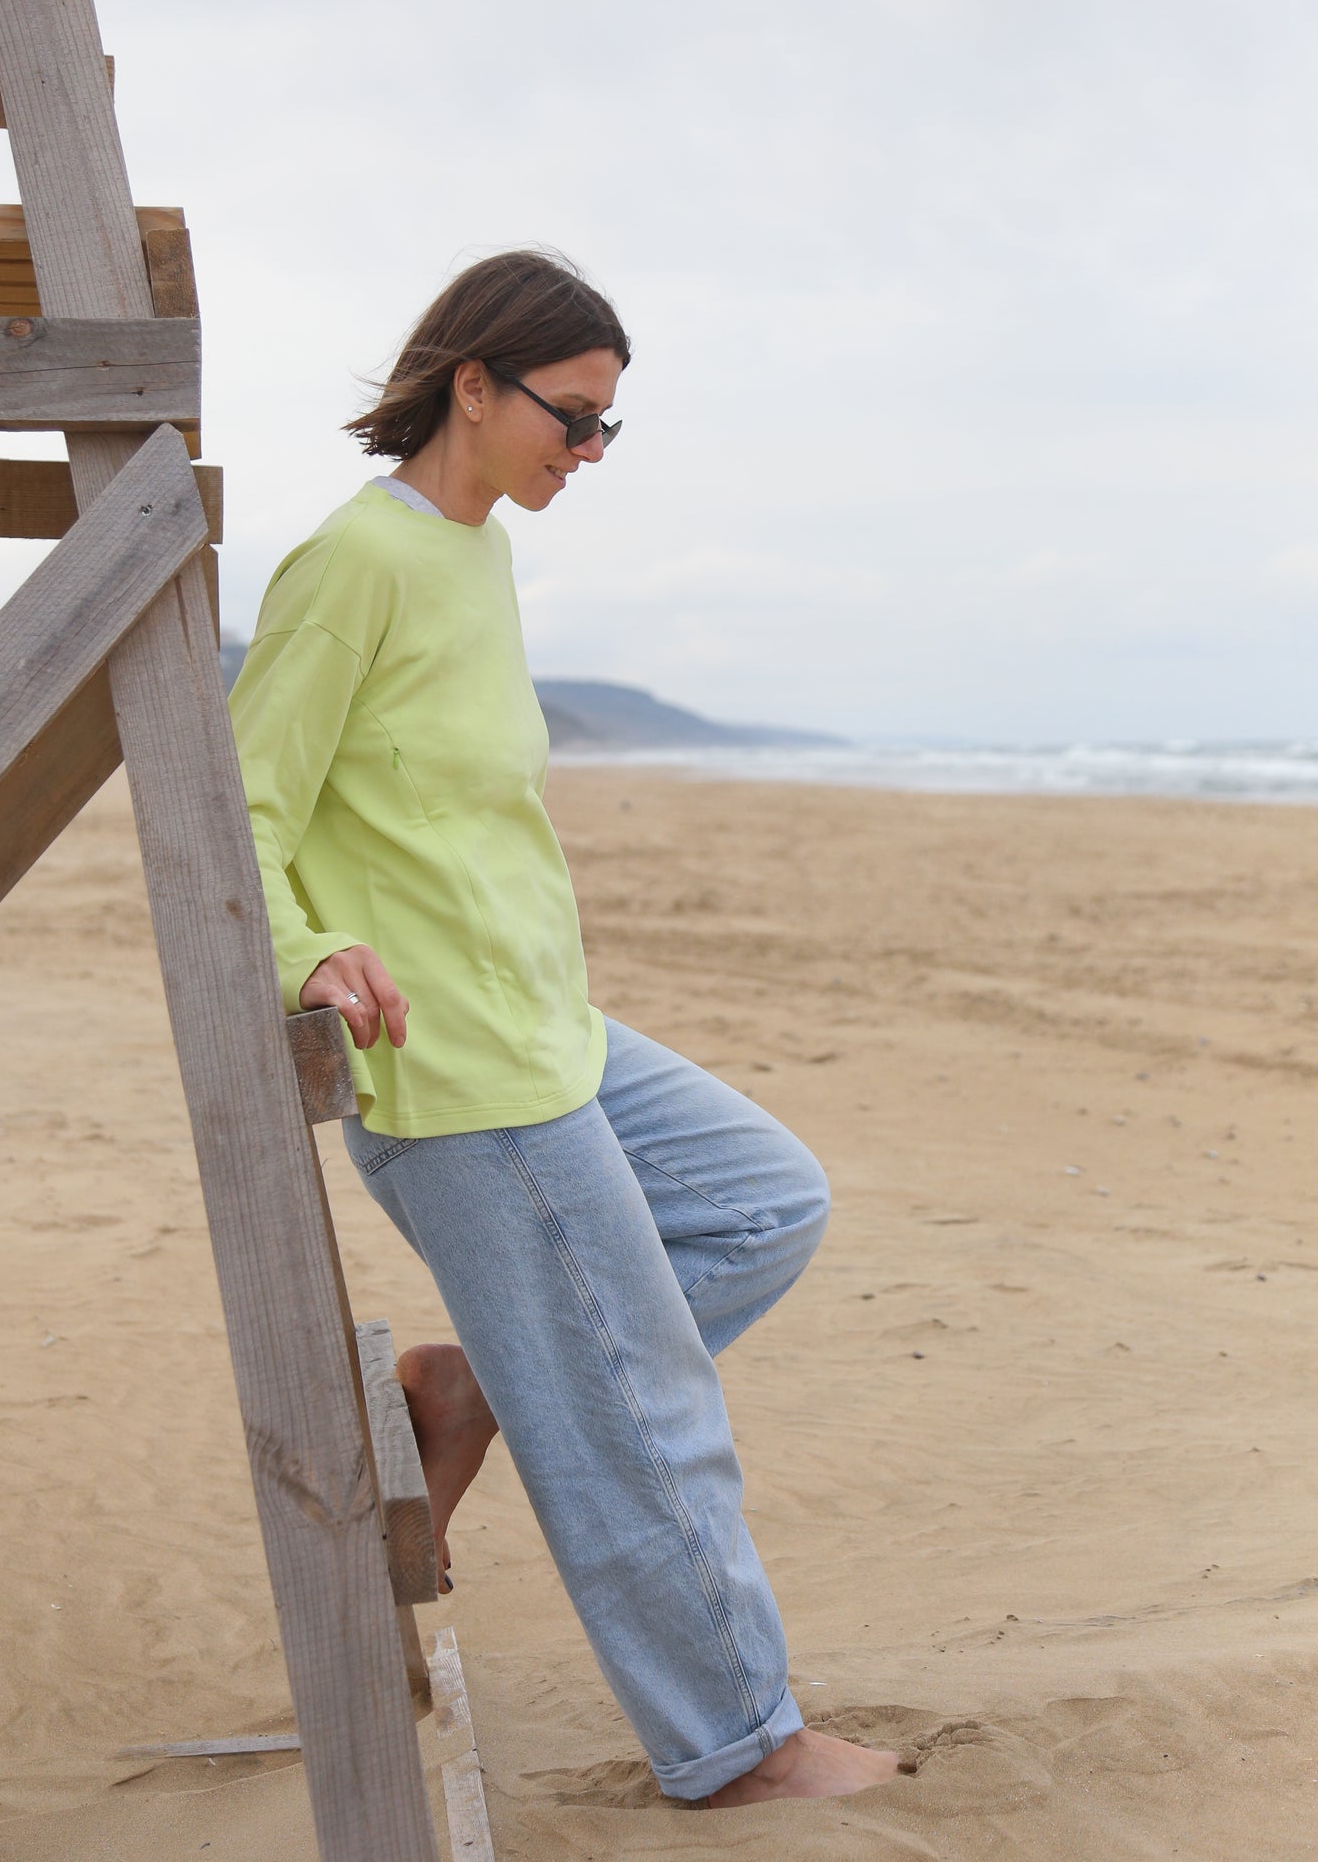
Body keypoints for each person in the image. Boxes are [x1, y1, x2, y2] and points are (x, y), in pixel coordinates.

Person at [230, 250, 904, 1808]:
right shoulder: (356, 564)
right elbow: (236, 809)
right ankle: (738, 1745)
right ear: (473, 382)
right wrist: (310, 949)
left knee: (764, 1201)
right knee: (633, 1405)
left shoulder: (478, 553)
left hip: (554, 1028)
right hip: (456, 1071)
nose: (588, 455)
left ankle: (475, 1386)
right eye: (573, 419)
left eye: (610, 430)